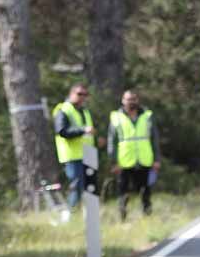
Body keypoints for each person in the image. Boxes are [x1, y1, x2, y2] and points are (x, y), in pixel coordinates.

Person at [108, 89, 161, 221]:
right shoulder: (116, 117)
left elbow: (154, 138)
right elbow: (112, 141)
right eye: (128, 99)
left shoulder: (147, 115)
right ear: (122, 101)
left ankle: (147, 216)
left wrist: (157, 159)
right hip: (124, 161)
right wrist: (113, 162)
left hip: (144, 159)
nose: (131, 102)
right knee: (123, 192)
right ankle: (123, 218)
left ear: (137, 101)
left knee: (145, 191)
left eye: (133, 99)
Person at [52, 84, 95, 218]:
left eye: (85, 94)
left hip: (87, 154)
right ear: (71, 94)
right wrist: (83, 130)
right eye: (79, 94)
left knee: (89, 187)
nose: (82, 97)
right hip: (72, 156)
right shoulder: (63, 109)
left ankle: (88, 216)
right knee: (75, 187)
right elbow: (61, 131)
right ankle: (69, 214)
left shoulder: (84, 110)